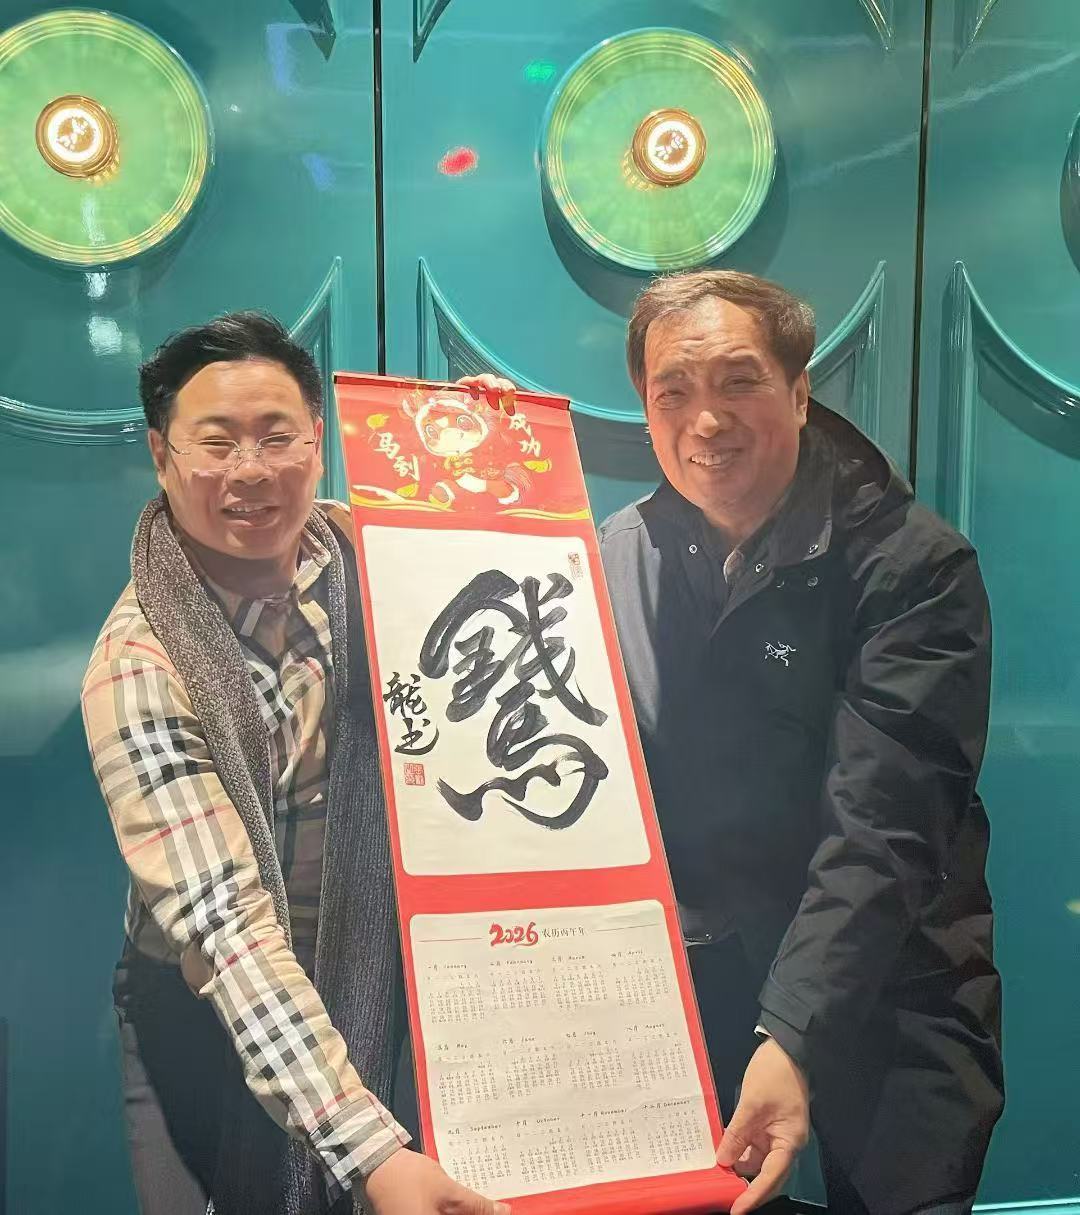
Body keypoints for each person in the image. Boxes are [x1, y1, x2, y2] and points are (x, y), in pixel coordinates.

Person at [81, 311, 516, 1215]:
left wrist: (491, 451)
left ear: (318, 443)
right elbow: (225, 928)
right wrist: (373, 1152)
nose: (251, 471)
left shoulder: (366, 547)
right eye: (216, 442)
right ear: (162, 456)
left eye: (277, 437)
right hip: (205, 1001)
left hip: (373, 970)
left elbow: (505, 588)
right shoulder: (140, 663)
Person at [599, 271, 1004, 1215]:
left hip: (892, 971)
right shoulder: (619, 552)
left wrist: (790, 1031)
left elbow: (884, 827)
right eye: (673, 391)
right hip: (699, 985)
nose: (706, 420)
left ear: (799, 389)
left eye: (738, 381)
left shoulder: (913, 565)